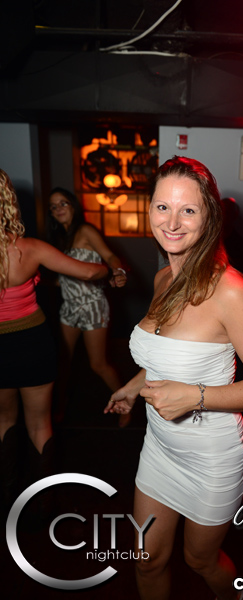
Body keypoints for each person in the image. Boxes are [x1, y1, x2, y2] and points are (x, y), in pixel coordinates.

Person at [104, 156, 243, 600]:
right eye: (162, 207)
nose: (172, 222)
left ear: (209, 218)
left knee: (200, 560)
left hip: (211, 458)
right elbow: (166, 358)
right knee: (147, 560)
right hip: (159, 448)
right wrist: (132, 387)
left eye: (188, 210)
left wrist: (195, 396)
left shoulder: (231, 291)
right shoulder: (162, 279)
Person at [0, 169, 109, 505]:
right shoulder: (30, 249)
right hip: (32, 344)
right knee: (39, 423)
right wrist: (108, 270)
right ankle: (41, 504)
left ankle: (7, 496)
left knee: (3, 421)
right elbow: (90, 271)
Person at [46, 187, 128, 423]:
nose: (58, 209)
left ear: (73, 205)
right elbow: (66, 276)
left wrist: (119, 271)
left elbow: (109, 257)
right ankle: (59, 408)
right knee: (63, 361)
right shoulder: (60, 239)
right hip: (69, 307)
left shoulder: (85, 230)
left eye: (63, 203)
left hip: (92, 305)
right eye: (53, 206)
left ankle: (126, 404)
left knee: (98, 364)